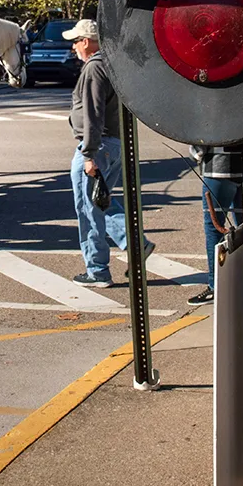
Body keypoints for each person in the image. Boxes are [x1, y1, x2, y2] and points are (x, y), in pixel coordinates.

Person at [65, 19, 154, 287]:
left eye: (76, 40)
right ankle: (135, 244)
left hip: (96, 146)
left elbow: (93, 114)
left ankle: (97, 270)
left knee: (87, 208)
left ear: (87, 42)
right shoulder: (113, 63)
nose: (73, 47)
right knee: (100, 200)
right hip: (112, 144)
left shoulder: (94, 68)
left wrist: (89, 154)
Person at [187, 146, 243, 305]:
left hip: (219, 166)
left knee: (214, 227)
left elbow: (203, 132)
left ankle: (216, 285)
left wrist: (197, 153)